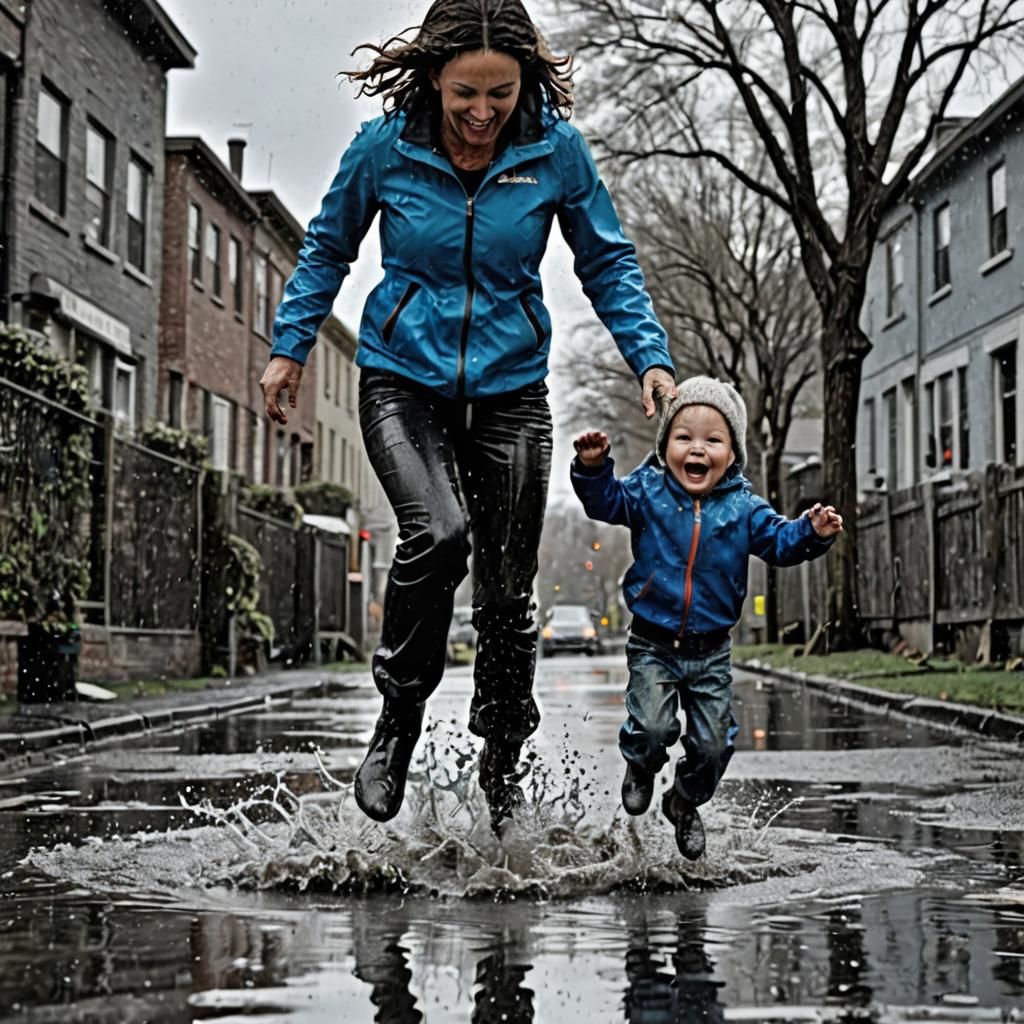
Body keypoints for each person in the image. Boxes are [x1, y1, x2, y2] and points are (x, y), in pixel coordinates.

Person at [259, 0, 676, 832]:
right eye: (464, 97)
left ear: (525, 84)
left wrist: (650, 356)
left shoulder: (553, 148)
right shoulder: (388, 145)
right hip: (401, 380)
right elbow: (328, 246)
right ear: (433, 82)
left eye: (500, 94)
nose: (482, 115)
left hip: (511, 389)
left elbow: (606, 258)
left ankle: (500, 760)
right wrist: (290, 344)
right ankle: (397, 723)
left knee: (507, 594)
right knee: (439, 534)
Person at [570, 376, 842, 859]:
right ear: (665, 445)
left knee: (714, 745)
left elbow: (781, 542)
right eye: (684, 438)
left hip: (711, 650)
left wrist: (812, 532)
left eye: (712, 440)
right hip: (653, 642)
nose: (697, 449)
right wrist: (592, 469)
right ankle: (641, 765)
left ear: (732, 453)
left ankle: (684, 801)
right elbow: (606, 500)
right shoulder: (648, 491)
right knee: (652, 728)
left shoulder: (744, 509)